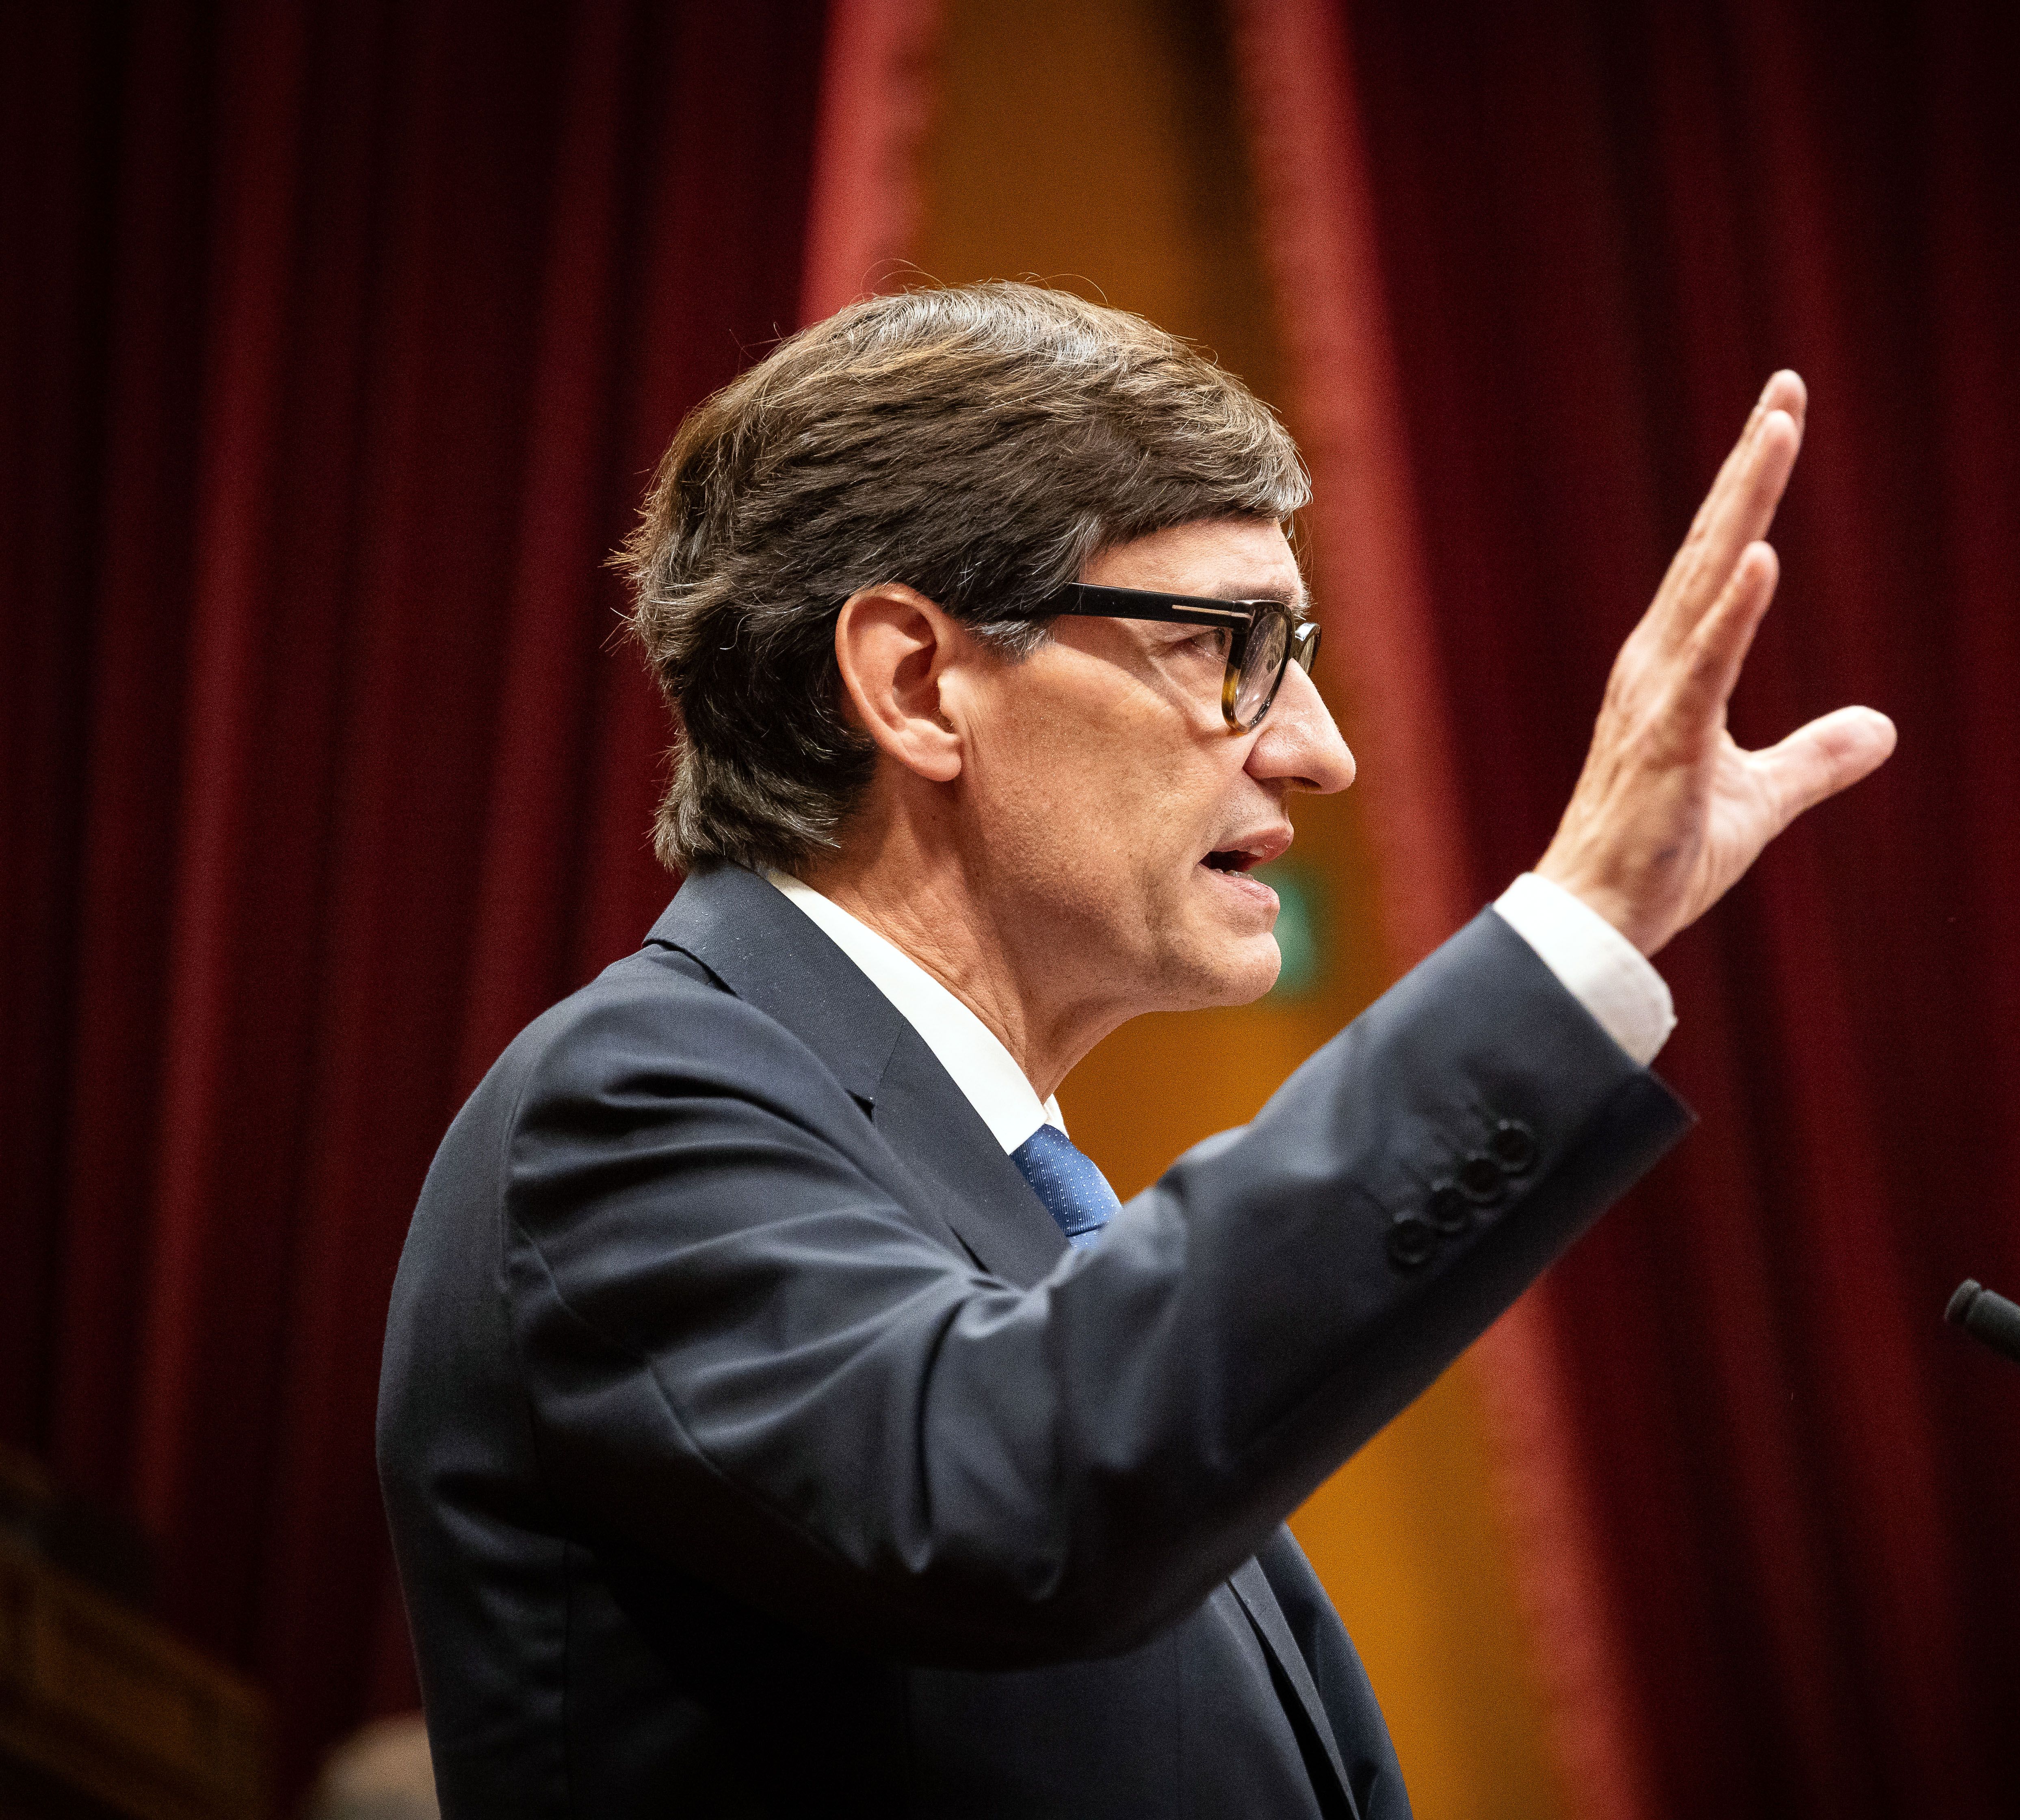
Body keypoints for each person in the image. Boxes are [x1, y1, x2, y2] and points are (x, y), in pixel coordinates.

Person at [377, 282, 1894, 1818]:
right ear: (915, 681)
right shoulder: (626, 1109)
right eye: (1233, 647)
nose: (1318, 748)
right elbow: (1018, 1491)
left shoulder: (1008, 1205)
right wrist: (1564, 949)